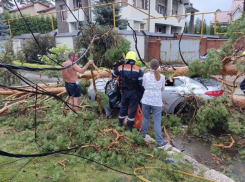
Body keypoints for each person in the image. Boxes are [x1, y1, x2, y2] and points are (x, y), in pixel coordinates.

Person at [112, 51, 144, 131]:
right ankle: (129, 126)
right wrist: (142, 93)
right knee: (133, 109)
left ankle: (120, 123)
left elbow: (114, 75)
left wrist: (118, 65)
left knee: (123, 107)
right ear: (134, 59)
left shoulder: (121, 67)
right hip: (134, 92)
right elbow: (141, 83)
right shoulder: (137, 69)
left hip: (124, 92)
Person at [140, 58, 168, 148]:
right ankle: (159, 143)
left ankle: (142, 136)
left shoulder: (145, 75)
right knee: (157, 122)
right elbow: (163, 89)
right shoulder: (162, 77)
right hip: (157, 102)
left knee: (145, 119)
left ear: (150, 66)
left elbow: (144, 87)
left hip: (146, 100)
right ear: (158, 67)